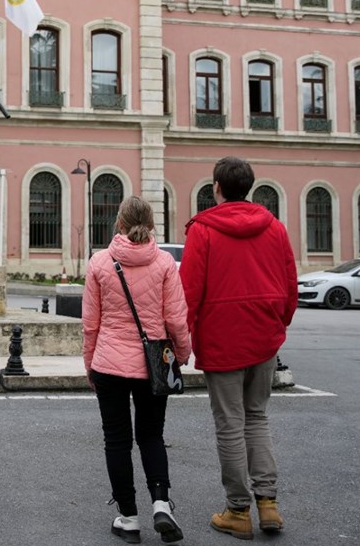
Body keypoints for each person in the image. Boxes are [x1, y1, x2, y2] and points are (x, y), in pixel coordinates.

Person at [178, 156, 298, 540]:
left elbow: (189, 293)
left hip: (222, 340)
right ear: (250, 186)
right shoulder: (275, 228)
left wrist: (184, 341)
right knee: (257, 417)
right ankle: (269, 504)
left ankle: (237, 510)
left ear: (216, 187)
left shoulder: (203, 230)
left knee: (230, 424)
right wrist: (279, 324)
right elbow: (290, 284)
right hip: (264, 337)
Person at [83, 195, 191, 544]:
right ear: (152, 224)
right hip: (152, 365)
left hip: (108, 363)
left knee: (116, 439)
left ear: (119, 224)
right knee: (151, 435)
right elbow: (176, 320)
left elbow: (90, 324)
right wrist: (183, 355)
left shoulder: (99, 262)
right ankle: (161, 502)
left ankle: (128, 517)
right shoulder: (164, 263)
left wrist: (90, 364)